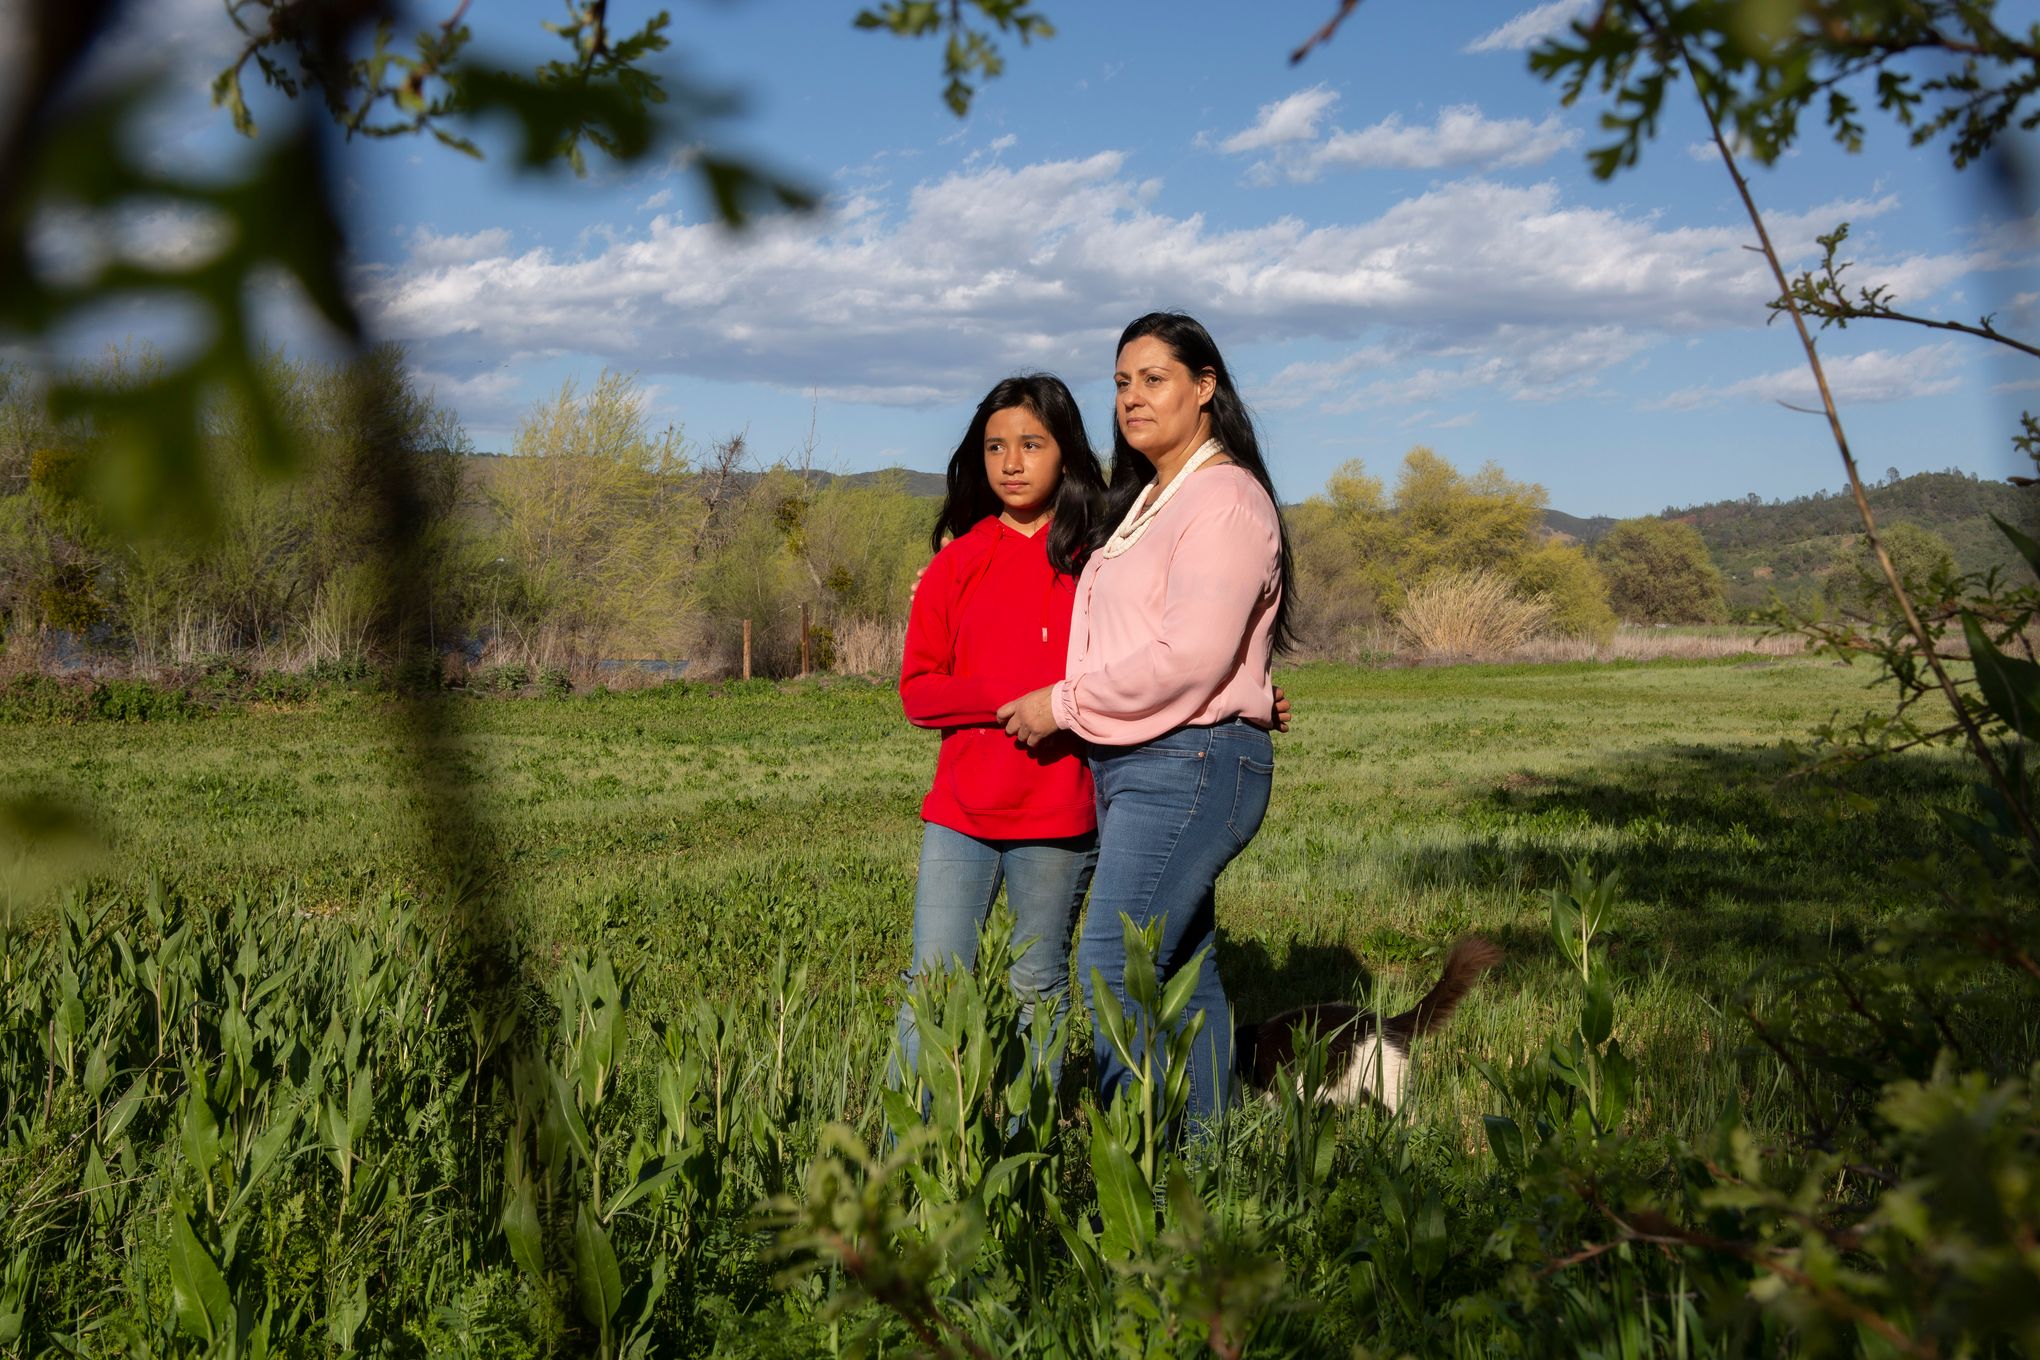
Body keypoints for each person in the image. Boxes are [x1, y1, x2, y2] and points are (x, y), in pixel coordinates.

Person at [996, 312, 1294, 1131]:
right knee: (1182, 969)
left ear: (1205, 389)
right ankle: (1205, 1150)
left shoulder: (1226, 499)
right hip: (1147, 762)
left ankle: (1139, 1152)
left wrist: (1059, 705)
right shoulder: (1156, 498)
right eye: (1122, 382)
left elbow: (1190, 658)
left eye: (1154, 379)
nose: (1132, 397)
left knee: (1110, 965)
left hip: (1189, 761)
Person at [893, 374, 1108, 1094]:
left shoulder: (1098, 564)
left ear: (1067, 456)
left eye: (1030, 444)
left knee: (1036, 986)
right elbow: (918, 691)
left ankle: (1023, 1154)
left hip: (1057, 815)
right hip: (960, 815)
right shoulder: (958, 562)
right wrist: (1009, 699)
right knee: (933, 983)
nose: (1011, 462)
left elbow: (1148, 664)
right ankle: (907, 1158)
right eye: (995, 447)